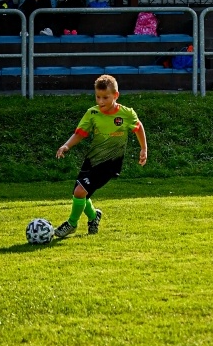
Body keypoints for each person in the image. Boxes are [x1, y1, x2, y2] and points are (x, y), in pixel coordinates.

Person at [53, 73, 148, 239]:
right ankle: (93, 216)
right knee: (80, 194)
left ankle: (72, 224)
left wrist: (143, 149)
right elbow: (80, 133)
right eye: (98, 97)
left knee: (80, 191)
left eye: (106, 97)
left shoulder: (126, 114)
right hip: (92, 160)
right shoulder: (92, 113)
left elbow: (139, 128)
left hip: (110, 163)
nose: (101, 101)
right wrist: (66, 145)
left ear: (116, 96)